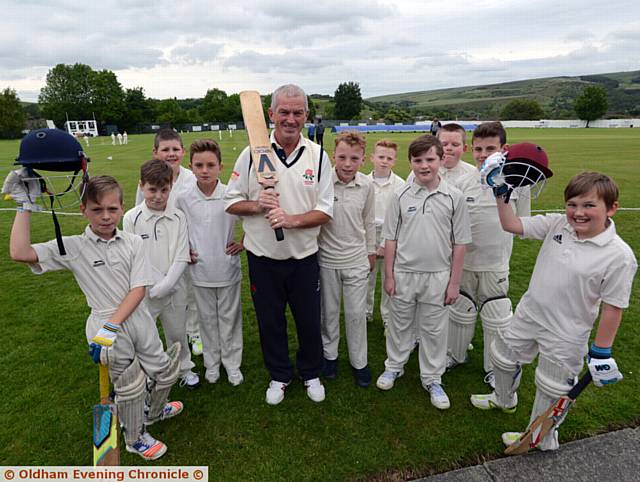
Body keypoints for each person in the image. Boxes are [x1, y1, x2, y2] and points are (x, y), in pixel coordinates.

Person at [5, 172, 183, 460]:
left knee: (163, 370)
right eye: (97, 209)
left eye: (112, 209)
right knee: (130, 386)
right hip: (104, 325)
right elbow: (20, 252)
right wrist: (24, 206)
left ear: (122, 209)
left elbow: (139, 289)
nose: (105, 217)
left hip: (136, 319)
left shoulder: (134, 242)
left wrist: (113, 325)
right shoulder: (73, 246)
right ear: (83, 210)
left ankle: (155, 409)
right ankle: (134, 437)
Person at [470, 171, 636, 451]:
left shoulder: (619, 256)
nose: (578, 213)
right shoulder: (558, 224)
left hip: (566, 331)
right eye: (572, 204)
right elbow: (510, 223)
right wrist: (500, 193)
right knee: (501, 357)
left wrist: (601, 351)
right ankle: (503, 399)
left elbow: (613, 307)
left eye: (588, 205)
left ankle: (541, 438)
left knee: (551, 387)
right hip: (530, 313)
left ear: (611, 208)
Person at [225, 84, 334, 405]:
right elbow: (231, 202)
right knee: (270, 321)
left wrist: (291, 220)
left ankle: (311, 372)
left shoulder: (318, 155)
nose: (290, 119)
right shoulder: (251, 154)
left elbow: (326, 209)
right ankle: (280, 375)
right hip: (263, 258)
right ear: (270, 114)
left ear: (306, 116)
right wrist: (258, 205)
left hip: (304, 258)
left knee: (309, 320)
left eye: (297, 112)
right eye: (283, 112)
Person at [376, 135, 471, 410]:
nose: (424, 166)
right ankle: (394, 366)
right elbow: (390, 239)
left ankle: (432, 378)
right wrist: (390, 276)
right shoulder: (400, 195)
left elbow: (460, 243)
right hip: (404, 272)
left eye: (430, 159)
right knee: (399, 324)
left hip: (438, 276)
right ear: (411, 163)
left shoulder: (455, 197)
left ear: (441, 160)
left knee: (434, 329)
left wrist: (454, 283)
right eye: (418, 160)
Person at [447, 122, 530, 389]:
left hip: (495, 262)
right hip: (465, 263)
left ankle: (494, 368)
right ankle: (454, 355)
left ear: (504, 149)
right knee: (460, 311)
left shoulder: (518, 184)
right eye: (479, 149)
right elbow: (454, 226)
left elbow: (523, 225)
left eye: (490, 148)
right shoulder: (463, 182)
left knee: (495, 314)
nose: (483, 154)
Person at [123, 159, 199, 389]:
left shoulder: (178, 217)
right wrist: (152, 286)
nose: (158, 196)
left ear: (171, 188)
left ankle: (184, 368)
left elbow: (181, 254)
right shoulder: (131, 218)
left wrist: (167, 285)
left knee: (177, 333)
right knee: (144, 337)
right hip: (144, 291)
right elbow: (134, 257)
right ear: (141, 187)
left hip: (174, 289)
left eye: (164, 190)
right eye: (152, 190)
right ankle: (147, 374)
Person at [176, 139, 245, 386]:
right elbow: (175, 229)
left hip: (227, 268)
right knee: (206, 320)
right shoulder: (183, 198)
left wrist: (243, 242)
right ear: (191, 166)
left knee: (230, 318)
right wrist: (184, 250)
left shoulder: (230, 195)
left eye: (210, 165)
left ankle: (232, 364)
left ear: (220, 167)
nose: (204, 170)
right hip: (200, 271)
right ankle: (212, 364)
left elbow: (251, 220)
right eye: (199, 165)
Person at [134, 129, 203, 359]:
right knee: (164, 296)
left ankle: (193, 332)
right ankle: (158, 348)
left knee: (191, 293)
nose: (171, 154)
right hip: (160, 248)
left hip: (188, 245)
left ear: (182, 151)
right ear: (155, 153)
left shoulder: (192, 177)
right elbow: (139, 215)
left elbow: (201, 213)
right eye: (165, 150)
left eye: (175, 149)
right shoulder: (147, 181)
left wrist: (194, 246)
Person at [318, 131, 376, 387]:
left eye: (354, 158)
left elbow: (369, 222)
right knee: (328, 314)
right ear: (334, 156)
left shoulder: (367, 185)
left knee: (355, 314)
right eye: (342, 157)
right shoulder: (322, 182)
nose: (347, 163)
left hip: (356, 260)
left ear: (363, 159)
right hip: (326, 260)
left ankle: (359, 362)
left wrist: (370, 251)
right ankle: (329, 357)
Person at [365, 139, 405, 328]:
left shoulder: (401, 184)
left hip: (390, 237)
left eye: (389, 158)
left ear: (394, 161)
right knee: (367, 276)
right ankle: (365, 312)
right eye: (380, 157)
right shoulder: (363, 182)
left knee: (390, 278)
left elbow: (400, 218)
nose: (384, 161)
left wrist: (387, 242)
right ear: (372, 158)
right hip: (368, 234)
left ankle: (388, 317)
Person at [406, 123, 475, 185]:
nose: (449, 148)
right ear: (436, 146)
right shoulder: (420, 173)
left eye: (455, 144)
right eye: (444, 144)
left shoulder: (473, 173)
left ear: (464, 148)